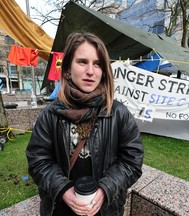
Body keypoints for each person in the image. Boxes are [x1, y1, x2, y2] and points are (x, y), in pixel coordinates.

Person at [26, 32, 144, 216]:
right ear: (67, 68)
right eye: (82, 62)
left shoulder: (119, 113)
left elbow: (132, 161)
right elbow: (38, 161)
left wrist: (106, 188)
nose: (91, 71)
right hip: (60, 208)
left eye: (97, 64)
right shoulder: (50, 115)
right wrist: (63, 189)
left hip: (105, 209)